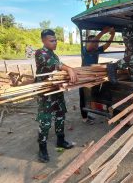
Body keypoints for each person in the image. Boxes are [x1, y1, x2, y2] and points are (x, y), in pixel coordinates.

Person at [35, 29, 78, 163]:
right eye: (51, 40)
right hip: (45, 94)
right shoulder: (40, 53)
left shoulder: (54, 54)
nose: (55, 43)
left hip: (56, 91)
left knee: (60, 116)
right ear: (43, 40)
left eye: (55, 40)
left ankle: (60, 140)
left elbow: (57, 71)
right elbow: (54, 66)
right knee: (45, 121)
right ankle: (42, 148)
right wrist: (69, 69)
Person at [79, 27, 115, 123]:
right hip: (84, 76)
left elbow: (107, 44)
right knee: (84, 97)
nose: (96, 44)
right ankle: (84, 117)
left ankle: (97, 110)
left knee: (96, 95)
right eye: (94, 42)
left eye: (97, 43)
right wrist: (103, 32)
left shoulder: (97, 50)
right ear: (88, 43)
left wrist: (112, 35)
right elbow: (91, 44)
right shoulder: (84, 49)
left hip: (94, 76)